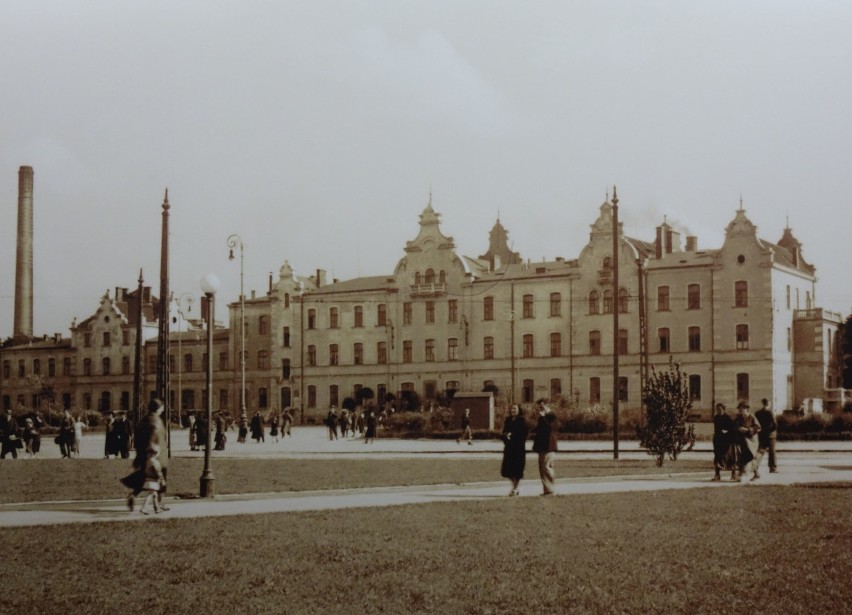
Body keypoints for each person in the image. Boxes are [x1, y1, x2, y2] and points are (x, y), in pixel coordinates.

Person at [129, 399, 169, 512]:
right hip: (157, 456)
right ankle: (158, 503)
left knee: (143, 479)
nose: (163, 409)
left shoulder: (143, 420)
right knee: (159, 481)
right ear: (158, 408)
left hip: (143, 455)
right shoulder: (156, 421)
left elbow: (137, 437)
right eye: (162, 407)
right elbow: (157, 438)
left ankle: (133, 496)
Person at [500, 404, 528, 496]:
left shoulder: (522, 421)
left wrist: (513, 436)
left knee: (517, 469)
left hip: (518, 448)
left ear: (519, 410)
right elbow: (503, 432)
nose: (513, 410)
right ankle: (515, 487)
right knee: (507, 470)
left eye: (515, 409)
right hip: (509, 448)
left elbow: (524, 434)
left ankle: (515, 489)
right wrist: (505, 435)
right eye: (511, 408)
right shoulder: (508, 420)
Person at [532, 399, 558, 495]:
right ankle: (546, 489)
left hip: (549, 446)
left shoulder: (552, 416)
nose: (540, 409)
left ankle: (551, 489)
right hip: (541, 447)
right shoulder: (542, 417)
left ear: (547, 406)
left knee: (547, 467)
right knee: (542, 468)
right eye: (539, 407)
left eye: (542, 407)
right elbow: (539, 431)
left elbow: (551, 429)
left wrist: (543, 417)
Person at [733, 401, 761, 482]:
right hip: (743, 440)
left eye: (742, 408)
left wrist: (748, 430)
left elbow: (758, 427)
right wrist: (738, 429)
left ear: (747, 409)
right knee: (748, 456)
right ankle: (756, 473)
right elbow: (734, 426)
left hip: (752, 440)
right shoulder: (739, 418)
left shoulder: (752, 417)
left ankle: (740, 474)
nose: (740, 410)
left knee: (747, 455)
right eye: (740, 408)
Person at [753, 398, 778, 477]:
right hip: (771, 435)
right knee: (772, 452)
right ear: (768, 404)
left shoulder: (758, 413)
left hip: (762, 435)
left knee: (760, 451)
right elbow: (775, 424)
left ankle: (755, 466)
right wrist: (771, 430)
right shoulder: (770, 413)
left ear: (762, 403)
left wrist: (760, 431)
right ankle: (772, 468)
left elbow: (755, 424)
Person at [139, 444, 166, 515]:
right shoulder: (155, 462)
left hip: (148, 479)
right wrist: (162, 479)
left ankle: (156, 508)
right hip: (153, 481)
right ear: (155, 453)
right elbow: (158, 472)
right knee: (151, 494)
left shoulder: (147, 461)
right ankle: (144, 508)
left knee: (155, 494)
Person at [711, 403, 735, 481]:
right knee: (717, 457)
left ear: (723, 410)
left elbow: (732, 429)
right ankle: (717, 475)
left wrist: (726, 431)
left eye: (720, 409)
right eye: (717, 409)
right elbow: (716, 429)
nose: (718, 411)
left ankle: (733, 474)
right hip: (718, 440)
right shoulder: (716, 418)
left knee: (729, 458)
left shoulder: (727, 418)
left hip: (726, 441)